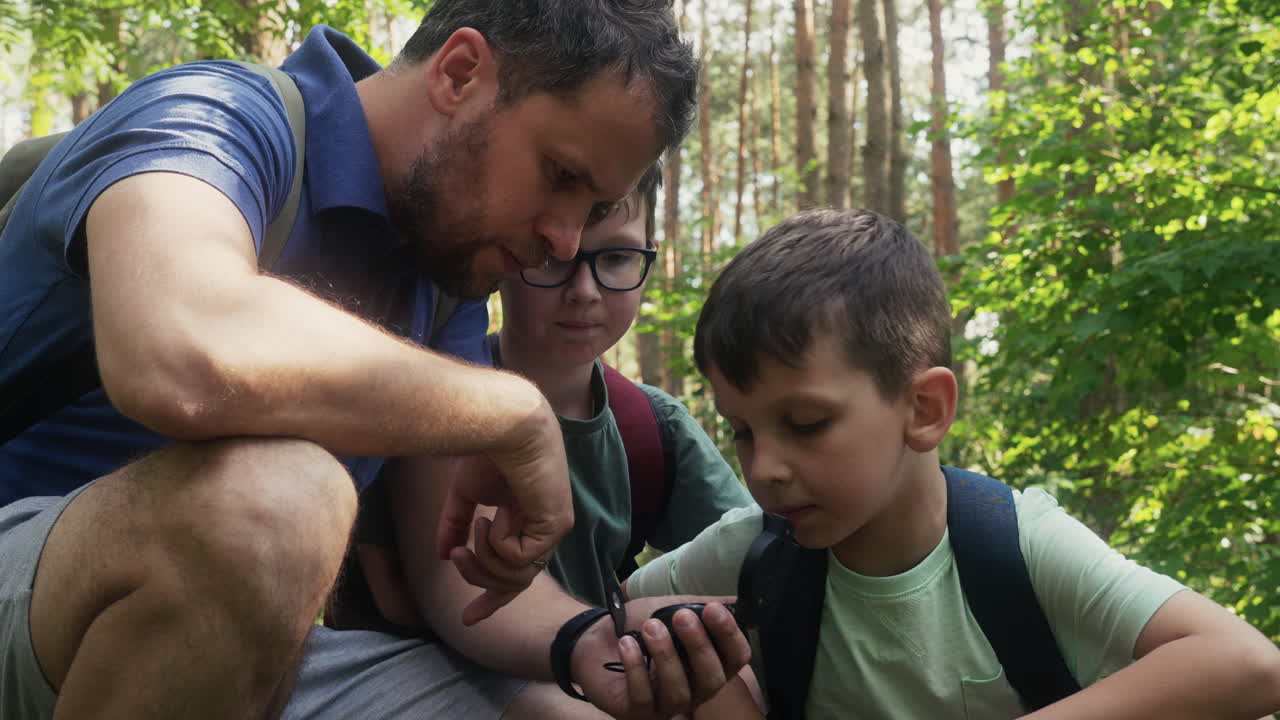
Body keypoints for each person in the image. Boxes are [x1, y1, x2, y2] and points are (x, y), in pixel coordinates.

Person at [0, 2, 749, 718]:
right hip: (32, 579)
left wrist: (581, 641)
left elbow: (449, 564)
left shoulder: (441, 278)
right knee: (283, 500)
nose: (562, 239)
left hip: (250, 649)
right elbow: (179, 348)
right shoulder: (214, 115)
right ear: (459, 74)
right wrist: (513, 413)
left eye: (591, 212)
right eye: (561, 177)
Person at [622, 208, 1280, 719]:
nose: (764, 469)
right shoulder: (750, 558)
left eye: (806, 424)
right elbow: (604, 616)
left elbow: (1247, 663)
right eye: (741, 432)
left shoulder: (1016, 548)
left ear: (925, 408)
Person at [333, 165, 753, 718]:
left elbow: (755, 553)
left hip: (598, 671)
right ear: (509, 257)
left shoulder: (654, 427)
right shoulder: (432, 394)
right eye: (556, 260)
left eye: (617, 258)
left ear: (650, 257)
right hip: (435, 678)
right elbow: (397, 595)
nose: (585, 292)